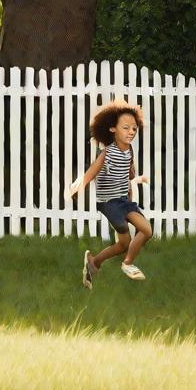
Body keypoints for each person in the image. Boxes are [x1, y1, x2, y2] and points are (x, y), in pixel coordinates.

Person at [69, 100, 151, 288]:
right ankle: (126, 264)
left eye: (134, 128)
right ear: (113, 129)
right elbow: (91, 172)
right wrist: (77, 186)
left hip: (123, 201)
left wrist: (132, 175)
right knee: (126, 239)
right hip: (109, 202)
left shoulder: (129, 150)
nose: (131, 132)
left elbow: (129, 173)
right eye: (126, 128)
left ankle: (94, 262)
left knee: (144, 231)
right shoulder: (107, 153)